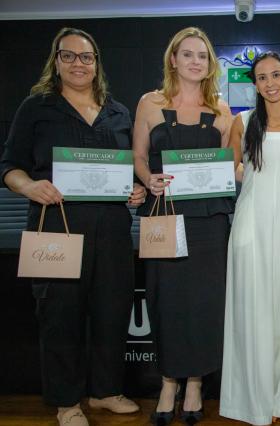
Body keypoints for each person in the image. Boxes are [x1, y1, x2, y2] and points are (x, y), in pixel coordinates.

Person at [0, 27, 143, 426]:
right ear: (57, 61)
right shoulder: (37, 107)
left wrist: (133, 190)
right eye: (69, 56)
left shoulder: (118, 112)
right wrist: (30, 186)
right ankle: (66, 402)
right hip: (55, 226)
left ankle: (105, 392)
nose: (78, 64)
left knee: (112, 311)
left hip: (112, 230)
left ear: (96, 63)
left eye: (86, 57)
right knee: (60, 315)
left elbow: (128, 170)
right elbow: (9, 166)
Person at [132, 27, 233, 425]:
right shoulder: (149, 103)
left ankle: (194, 383)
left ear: (210, 64)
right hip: (163, 216)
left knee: (205, 304)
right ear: (173, 60)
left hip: (209, 223)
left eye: (202, 56)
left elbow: (229, 166)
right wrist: (147, 179)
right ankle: (168, 382)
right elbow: (138, 157)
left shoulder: (222, 110)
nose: (195, 61)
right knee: (166, 301)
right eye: (187, 54)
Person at [219, 51, 280, 426]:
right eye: (262, 77)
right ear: (255, 85)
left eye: (276, 75)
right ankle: (252, 400)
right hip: (250, 227)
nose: (270, 83)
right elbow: (226, 171)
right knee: (252, 312)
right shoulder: (242, 122)